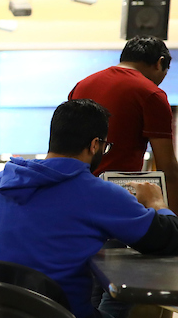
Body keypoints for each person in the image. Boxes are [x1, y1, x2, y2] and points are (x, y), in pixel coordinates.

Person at [0, 99, 178, 318]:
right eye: (105, 146)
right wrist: (157, 203)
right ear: (94, 145)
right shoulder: (99, 193)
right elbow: (168, 239)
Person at [69, 36, 178, 207]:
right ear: (160, 62)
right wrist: (172, 221)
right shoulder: (151, 94)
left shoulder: (81, 86)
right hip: (117, 195)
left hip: (74, 190)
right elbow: (168, 169)